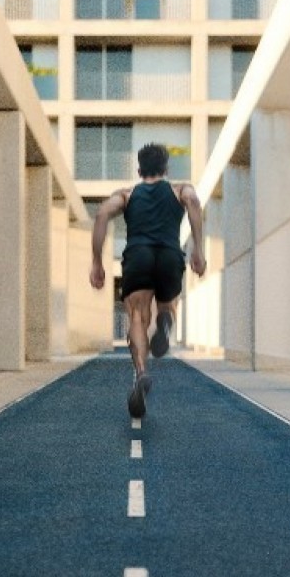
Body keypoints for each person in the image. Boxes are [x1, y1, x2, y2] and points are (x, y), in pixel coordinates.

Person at [90, 143, 207, 417]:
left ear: (139, 169)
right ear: (166, 169)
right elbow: (194, 202)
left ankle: (142, 371)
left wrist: (96, 261)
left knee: (138, 318)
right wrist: (198, 249)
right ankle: (166, 322)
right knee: (167, 304)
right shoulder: (180, 190)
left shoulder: (127, 195)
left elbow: (102, 214)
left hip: (138, 256)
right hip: (169, 255)